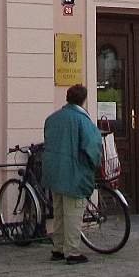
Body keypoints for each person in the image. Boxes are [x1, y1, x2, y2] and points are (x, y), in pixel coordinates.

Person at [42, 84, 102, 264]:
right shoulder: (83, 121)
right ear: (83, 100)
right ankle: (73, 252)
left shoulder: (52, 118)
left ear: (67, 98)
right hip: (74, 174)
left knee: (59, 213)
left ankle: (58, 248)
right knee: (73, 214)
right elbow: (92, 147)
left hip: (55, 173)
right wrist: (95, 165)